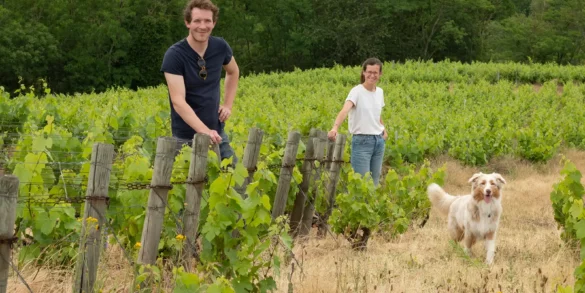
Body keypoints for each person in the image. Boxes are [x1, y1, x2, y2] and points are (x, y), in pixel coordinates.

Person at [161, 0, 239, 163]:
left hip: (217, 134)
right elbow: (178, 102)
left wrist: (228, 105)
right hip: (185, 139)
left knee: (236, 183)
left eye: (207, 21)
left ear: (214, 23)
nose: (202, 26)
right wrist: (205, 132)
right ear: (187, 23)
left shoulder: (220, 47)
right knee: (189, 186)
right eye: (197, 21)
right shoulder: (174, 55)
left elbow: (233, 71)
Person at [328, 58, 388, 186]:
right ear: (364, 73)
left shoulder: (380, 92)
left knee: (375, 181)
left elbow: (376, 114)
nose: (372, 75)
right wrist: (335, 127)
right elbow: (345, 110)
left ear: (380, 74)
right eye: (369, 72)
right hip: (362, 142)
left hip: (378, 141)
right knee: (362, 184)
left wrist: (383, 128)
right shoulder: (356, 91)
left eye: (375, 72)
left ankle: (373, 206)